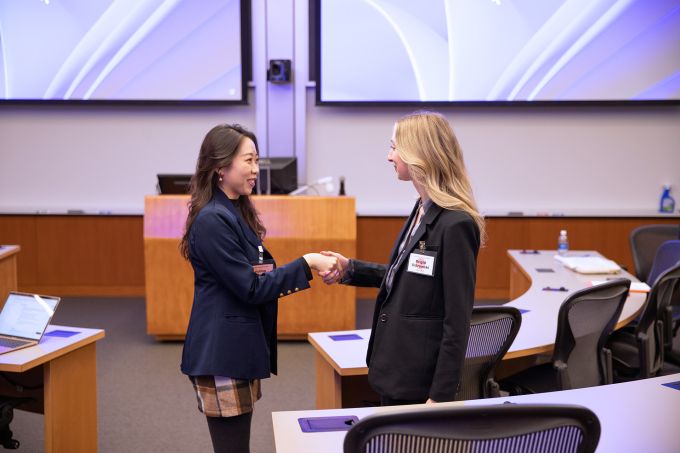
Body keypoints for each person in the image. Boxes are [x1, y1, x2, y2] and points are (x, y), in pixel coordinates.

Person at [179, 124, 337, 453]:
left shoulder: (234, 210)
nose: (255, 169)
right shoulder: (212, 220)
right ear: (220, 168)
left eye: (257, 160)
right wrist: (306, 263)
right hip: (221, 354)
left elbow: (259, 275)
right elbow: (251, 287)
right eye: (248, 160)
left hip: (237, 349)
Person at [322, 111, 485, 406]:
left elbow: (457, 320)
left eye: (394, 147)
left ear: (419, 153)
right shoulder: (421, 208)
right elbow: (407, 275)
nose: (389, 156)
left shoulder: (456, 223)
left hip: (422, 382)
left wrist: (440, 396)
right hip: (397, 365)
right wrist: (351, 269)